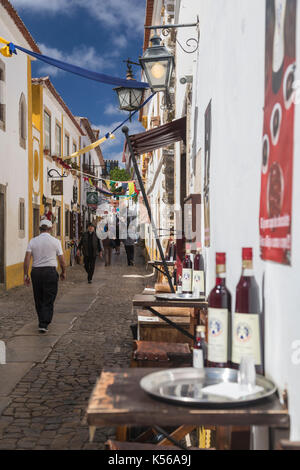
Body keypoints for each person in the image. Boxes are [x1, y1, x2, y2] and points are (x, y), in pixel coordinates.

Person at [23, 219, 66, 334]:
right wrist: (63, 271)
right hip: (50, 272)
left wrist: (25, 274)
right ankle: (44, 323)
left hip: (36, 272)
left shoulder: (33, 241)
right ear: (51, 229)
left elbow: (27, 259)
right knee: (49, 297)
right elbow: (62, 260)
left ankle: (41, 321)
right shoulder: (55, 241)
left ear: (39, 229)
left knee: (38, 297)